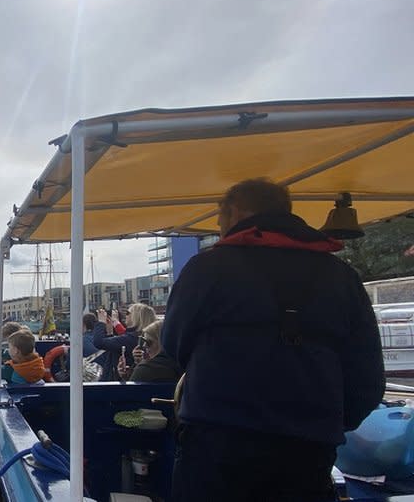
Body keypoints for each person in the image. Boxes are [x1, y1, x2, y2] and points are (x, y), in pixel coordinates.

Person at [162, 178, 384, 502]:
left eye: (220, 220)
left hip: (219, 440)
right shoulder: (342, 276)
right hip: (308, 448)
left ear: (236, 211)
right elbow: (366, 373)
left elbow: (175, 343)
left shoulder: (206, 270)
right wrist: (327, 420)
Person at [93, 303, 158, 381]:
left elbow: (99, 342)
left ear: (136, 317)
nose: (125, 315)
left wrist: (101, 322)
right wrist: (110, 332)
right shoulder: (139, 337)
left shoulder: (132, 338)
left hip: (116, 383)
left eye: (128, 313)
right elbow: (114, 346)